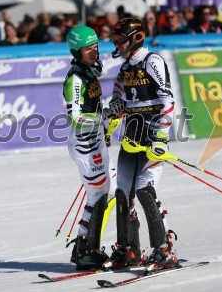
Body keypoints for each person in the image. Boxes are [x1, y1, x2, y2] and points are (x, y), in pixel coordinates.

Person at [105, 17, 177, 272]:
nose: (117, 44)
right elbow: (118, 89)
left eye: (120, 39)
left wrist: (161, 135)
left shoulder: (152, 61)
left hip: (151, 138)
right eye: (114, 40)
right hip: (131, 137)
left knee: (145, 190)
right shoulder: (125, 68)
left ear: (136, 38)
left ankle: (164, 249)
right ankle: (129, 248)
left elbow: (168, 100)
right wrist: (116, 102)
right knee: (123, 193)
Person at [63, 25, 117, 270]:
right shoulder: (75, 78)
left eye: (96, 45)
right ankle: (85, 250)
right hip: (85, 144)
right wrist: (102, 116)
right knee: (98, 195)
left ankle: (86, 246)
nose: (94, 50)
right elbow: (75, 117)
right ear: (77, 50)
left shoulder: (90, 71)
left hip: (96, 140)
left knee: (111, 190)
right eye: (88, 47)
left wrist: (104, 126)